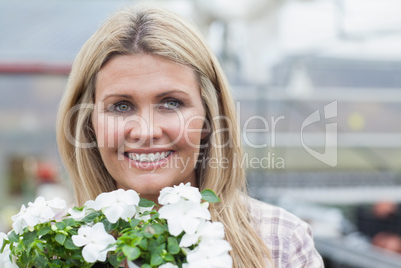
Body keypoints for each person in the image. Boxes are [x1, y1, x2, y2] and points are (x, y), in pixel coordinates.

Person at [56, 6, 323, 268]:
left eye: (171, 103)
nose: (146, 132)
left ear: (210, 116)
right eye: (121, 106)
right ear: (89, 123)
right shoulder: (53, 246)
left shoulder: (280, 241)